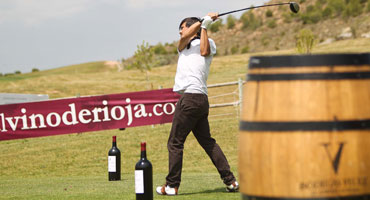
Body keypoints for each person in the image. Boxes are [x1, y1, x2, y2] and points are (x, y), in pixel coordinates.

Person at [156, 13, 239, 196]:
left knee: (175, 142)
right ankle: (231, 181)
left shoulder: (208, 41)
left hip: (193, 98)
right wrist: (203, 22)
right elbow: (185, 38)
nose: (180, 31)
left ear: (192, 27)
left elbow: (204, 51)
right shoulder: (183, 46)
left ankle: (171, 185)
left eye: (183, 27)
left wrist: (204, 26)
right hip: (199, 101)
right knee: (207, 142)